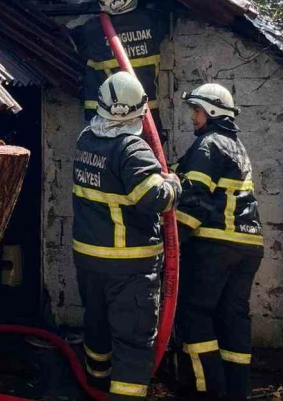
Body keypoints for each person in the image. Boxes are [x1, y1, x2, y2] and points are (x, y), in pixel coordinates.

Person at [72, 71, 182, 400]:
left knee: (97, 328)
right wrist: (173, 184)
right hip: (129, 265)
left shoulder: (84, 140)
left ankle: (94, 386)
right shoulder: (132, 149)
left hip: (89, 259)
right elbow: (153, 199)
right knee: (132, 343)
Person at [173, 83, 263, 401]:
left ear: (210, 112)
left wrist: (172, 243)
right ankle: (236, 391)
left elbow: (195, 200)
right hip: (249, 246)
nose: (193, 118)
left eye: (196, 111)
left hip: (215, 244)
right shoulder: (235, 145)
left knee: (194, 313)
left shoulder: (208, 145)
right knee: (232, 317)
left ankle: (206, 392)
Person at [69, 0, 169, 142]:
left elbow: (70, 39)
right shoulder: (153, 21)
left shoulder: (92, 30)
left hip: (106, 122)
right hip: (147, 117)